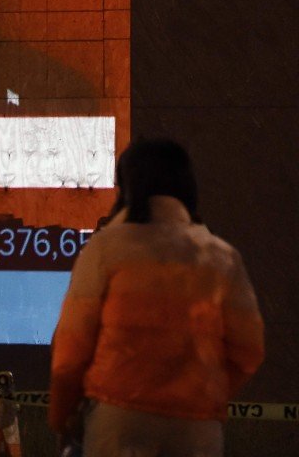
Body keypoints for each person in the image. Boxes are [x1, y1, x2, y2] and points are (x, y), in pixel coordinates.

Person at [49, 139, 264, 456]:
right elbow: (249, 350)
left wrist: (62, 417)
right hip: (197, 431)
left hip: (119, 422)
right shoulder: (222, 258)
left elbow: (71, 349)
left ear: (126, 186)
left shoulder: (105, 250)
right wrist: (202, 394)